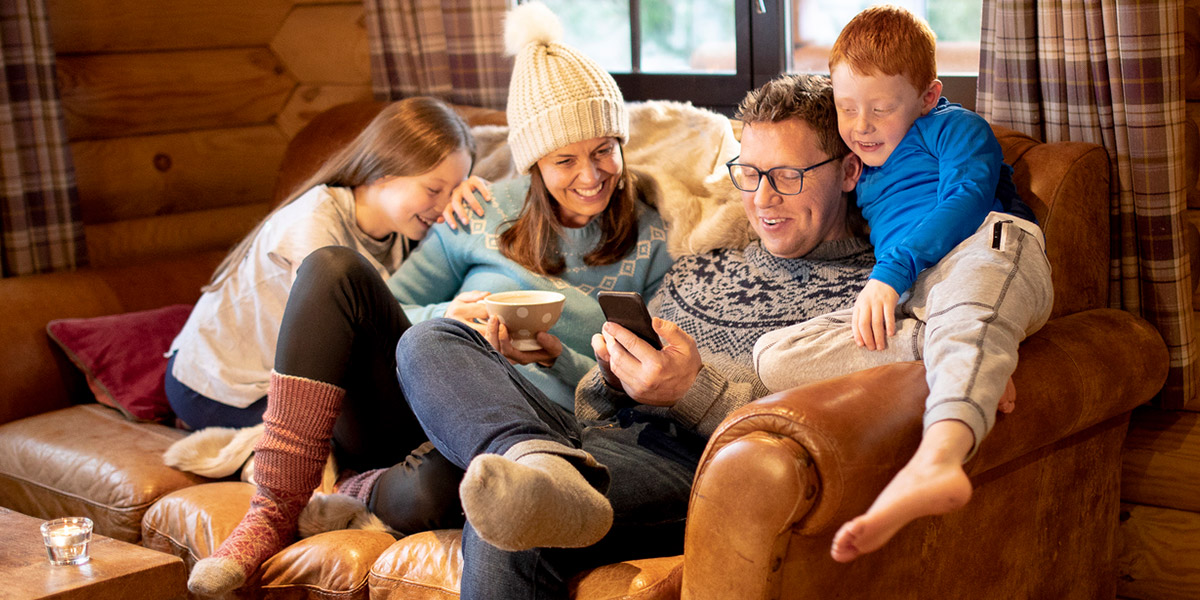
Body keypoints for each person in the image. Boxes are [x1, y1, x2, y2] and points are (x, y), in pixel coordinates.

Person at [184, 2, 673, 596]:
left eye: (604, 149)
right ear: (534, 164)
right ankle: (271, 513)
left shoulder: (652, 238)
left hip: (519, 432)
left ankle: (352, 489)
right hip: (413, 394)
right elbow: (384, 310)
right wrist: (452, 317)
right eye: (563, 159)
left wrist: (557, 360)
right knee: (334, 268)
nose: (590, 174)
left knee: (462, 495)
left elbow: (644, 384)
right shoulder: (486, 208)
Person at [391, 72, 871, 599]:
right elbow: (602, 399)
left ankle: (536, 475)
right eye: (750, 173)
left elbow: (820, 433)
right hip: (588, 438)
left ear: (848, 170)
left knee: (518, 519)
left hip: (697, 464)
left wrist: (689, 391)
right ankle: (529, 455)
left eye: (786, 175)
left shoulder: (868, 295)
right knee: (432, 338)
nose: (762, 199)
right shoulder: (705, 261)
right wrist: (608, 369)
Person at [753, 5, 1054, 563]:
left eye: (881, 108)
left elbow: (966, 200)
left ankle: (938, 459)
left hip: (985, 247)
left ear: (928, 96)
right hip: (925, 300)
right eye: (847, 109)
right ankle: (962, 350)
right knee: (774, 355)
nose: (861, 125)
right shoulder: (859, 166)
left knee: (968, 294)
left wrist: (890, 275)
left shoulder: (954, 128)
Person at [165, 96, 486, 430]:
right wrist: (443, 317)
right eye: (434, 189)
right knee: (361, 432)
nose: (443, 204)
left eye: (455, 191)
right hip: (214, 386)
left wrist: (472, 209)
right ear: (382, 173)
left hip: (287, 377)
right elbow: (353, 342)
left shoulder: (406, 229)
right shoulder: (314, 224)